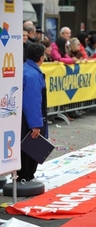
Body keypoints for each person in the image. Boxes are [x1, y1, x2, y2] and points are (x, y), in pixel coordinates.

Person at [17, 42, 48, 182]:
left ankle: (24, 174)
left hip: (22, 117)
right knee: (30, 147)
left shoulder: (25, 69)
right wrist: (35, 125)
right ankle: (26, 176)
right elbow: (32, 102)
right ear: (41, 58)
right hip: (29, 120)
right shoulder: (33, 75)